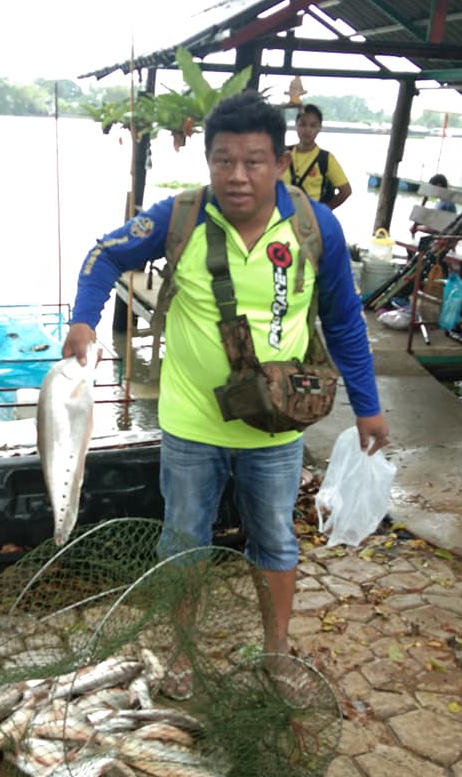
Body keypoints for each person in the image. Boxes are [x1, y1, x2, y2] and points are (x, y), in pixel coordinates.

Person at [63, 90, 388, 698]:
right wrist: (84, 318)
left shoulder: (318, 227)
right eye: (224, 160)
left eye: (254, 161)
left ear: (281, 162)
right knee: (184, 541)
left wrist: (367, 406)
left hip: (279, 429)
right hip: (190, 424)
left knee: (275, 539)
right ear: (208, 161)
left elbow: (344, 320)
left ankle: (276, 654)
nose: (237, 176)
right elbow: (103, 254)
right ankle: (181, 657)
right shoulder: (177, 216)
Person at [283, 103, 352, 210]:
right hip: (282, 218)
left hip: (310, 222)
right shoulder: (283, 154)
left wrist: (323, 212)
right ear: (296, 126)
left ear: (319, 128)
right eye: (303, 124)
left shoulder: (325, 159)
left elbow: (346, 191)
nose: (307, 130)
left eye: (313, 125)